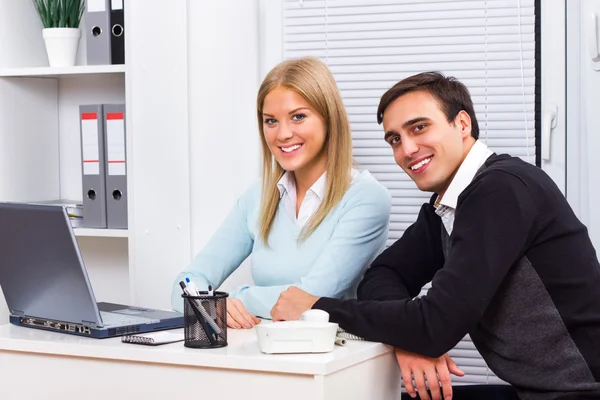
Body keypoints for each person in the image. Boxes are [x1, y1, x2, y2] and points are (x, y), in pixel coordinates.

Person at [270, 72, 600, 400]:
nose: (407, 149)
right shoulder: (448, 206)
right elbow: (384, 274)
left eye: (419, 127)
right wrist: (407, 335)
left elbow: (436, 326)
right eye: (395, 139)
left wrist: (316, 307)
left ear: (462, 124)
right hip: (534, 392)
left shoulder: (501, 190)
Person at [171, 57, 391, 330]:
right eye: (271, 121)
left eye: (298, 117)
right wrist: (212, 305)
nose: (283, 134)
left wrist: (230, 299)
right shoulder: (259, 197)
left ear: (329, 119)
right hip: (265, 352)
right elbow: (189, 280)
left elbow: (310, 299)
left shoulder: (366, 198)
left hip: (336, 359)